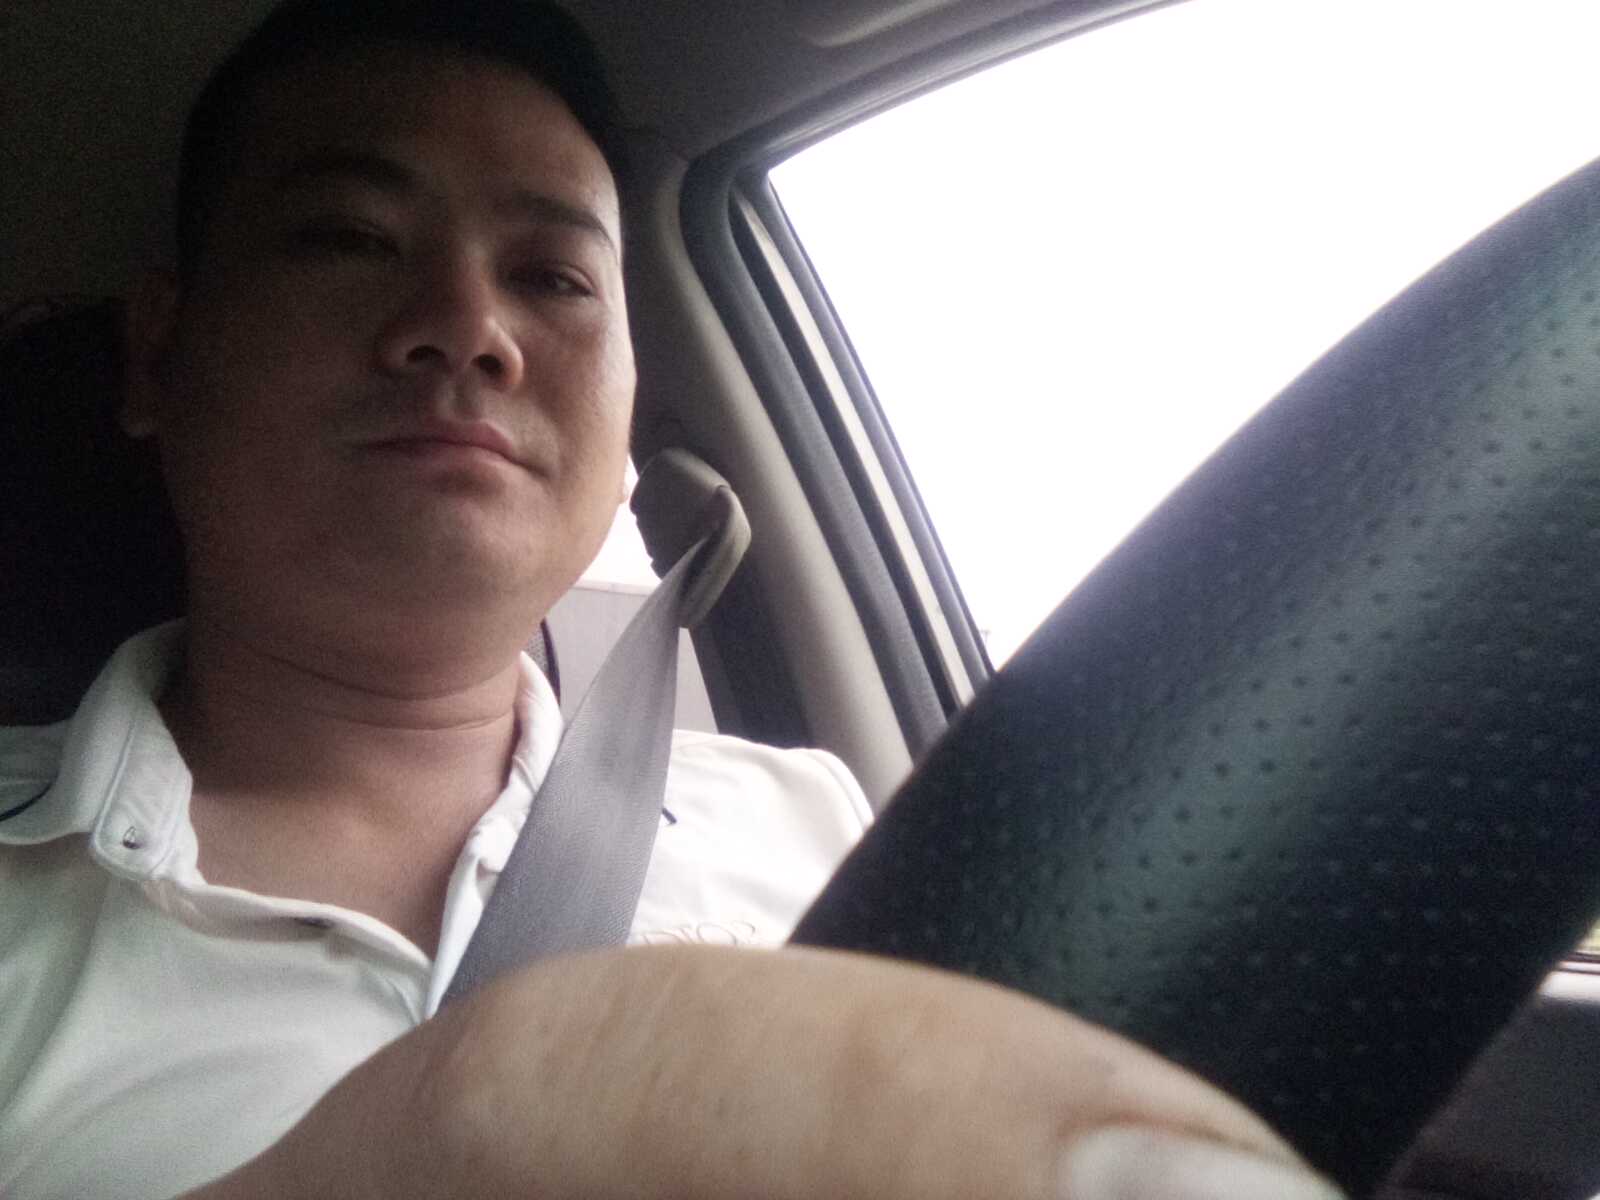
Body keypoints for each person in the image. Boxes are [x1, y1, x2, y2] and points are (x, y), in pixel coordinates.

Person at [0, 2, 1346, 1197]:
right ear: (159, 353)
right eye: (349, 237)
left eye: (553, 277)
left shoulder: (817, 825)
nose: (469, 325)